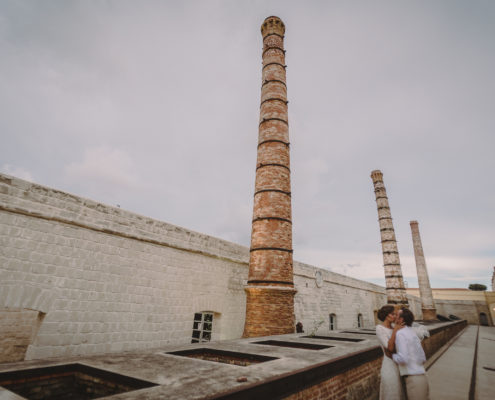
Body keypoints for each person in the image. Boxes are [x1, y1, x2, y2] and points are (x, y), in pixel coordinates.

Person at [392, 308, 430, 400]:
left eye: (397, 315)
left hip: (413, 378)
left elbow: (403, 359)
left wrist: (393, 355)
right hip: (422, 376)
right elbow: (423, 357)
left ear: (401, 319)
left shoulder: (400, 334)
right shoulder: (412, 332)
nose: (394, 317)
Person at [376, 305, 406, 400]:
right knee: (392, 390)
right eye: (392, 314)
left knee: (400, 391)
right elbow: (389, 348)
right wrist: (395, 330)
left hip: (399, 363)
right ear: (386, 315)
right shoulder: (379, 328)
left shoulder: (394, 327)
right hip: (389, 364)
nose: (395, 316)